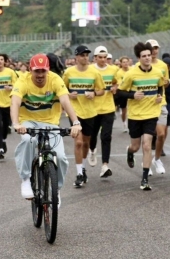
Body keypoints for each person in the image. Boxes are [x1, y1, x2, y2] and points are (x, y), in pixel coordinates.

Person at [11, 54, 81, 201]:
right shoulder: (22, 81)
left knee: (61, 157)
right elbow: (15, 103)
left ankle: (56, 190)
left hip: (50, 123)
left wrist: (75, 122)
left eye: (43, 71)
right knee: (27, 141)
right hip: (28, 121)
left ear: (48, 70)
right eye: (37, 71)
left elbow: (65, 101)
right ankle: (25, 179)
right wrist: (16, 123)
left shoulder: (55, 79)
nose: (40, 75)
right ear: (30, 70)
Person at [117, 42, 164, 190]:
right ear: (138, 58)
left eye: (149, 55)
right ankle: (129, 151)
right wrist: (132, 95)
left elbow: (160, 87)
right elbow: (119, 92)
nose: (147, 58)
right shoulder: (131, 73)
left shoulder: (157, 72)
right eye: (144, 56)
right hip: (135, 115)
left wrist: (159, 96)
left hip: (151, 113)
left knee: (147, 144)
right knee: (136, 146)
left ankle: (144, 179)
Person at [63, 45, 104, 187]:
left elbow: (101, 90)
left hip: (90, 111)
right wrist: (69, 94)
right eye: (82, 55)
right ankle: (79, 173)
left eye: (87, 55)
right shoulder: (69, 73)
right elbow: (62, 90)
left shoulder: (94, 72)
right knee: (79, 142)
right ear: (76, 57)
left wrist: (94, 93)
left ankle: (84, 167)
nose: (85, 57)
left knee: (86, 142)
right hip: (74, 112)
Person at [88, 46, 119, 178]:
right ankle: (92, 150)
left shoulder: (113, 69)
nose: (102, 60)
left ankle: (105, 165)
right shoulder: (90, 70)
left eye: (105, 57)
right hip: (93, 108)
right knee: (93, 135)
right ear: (95, 58)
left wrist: (114, 87)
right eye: (100, 57)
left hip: (108, 107)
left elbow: (117, 83)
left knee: (106, 136)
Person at [145, 39, 170, 175]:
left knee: (161, 134)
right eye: (151, 48)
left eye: (156, 48)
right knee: (147, 137)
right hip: (145, 105)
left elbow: (164, 84)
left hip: (160, 102)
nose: (154, 51)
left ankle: (157, 159)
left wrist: (166, 83)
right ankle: (146, 164)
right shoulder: (140, 66)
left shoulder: (163, 65)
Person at [115, 56, 131, 133]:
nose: (125, 63)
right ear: (121, 64)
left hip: (131, 91)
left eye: (126, 62)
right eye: (123, 62)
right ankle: (124, 122)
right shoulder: (119, 73)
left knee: (131, 108)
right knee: (124, 109)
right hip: (123, 92)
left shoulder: (132, 70)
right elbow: (120, 84)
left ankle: (131, 124)